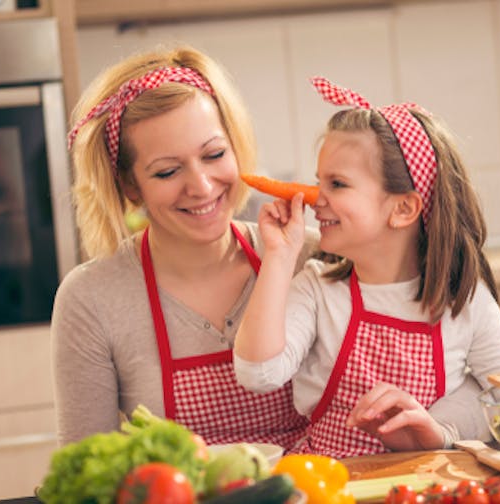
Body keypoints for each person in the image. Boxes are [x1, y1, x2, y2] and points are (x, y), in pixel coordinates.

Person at [233, 77, 500, 458]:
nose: (316, 197)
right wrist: (280, 257)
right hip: (333, 485)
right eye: (319, 181)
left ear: (403, 208)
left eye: (337, 184)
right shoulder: (318, 290)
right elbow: (258, 374)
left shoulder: (463, 301)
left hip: (427, 485)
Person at [50, 46, 320, 448]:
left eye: (214, 154)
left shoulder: (308, 257)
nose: (202, 187)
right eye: (167, 171)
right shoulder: (92, 299)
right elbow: (88, 470)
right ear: (129, 185)